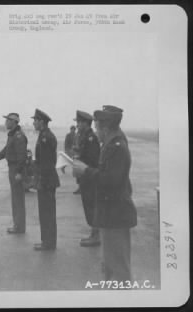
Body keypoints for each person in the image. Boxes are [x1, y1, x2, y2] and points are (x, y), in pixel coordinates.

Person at [73, 106, 137, 282]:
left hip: (115, 215)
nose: (96, 131)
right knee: (110, 266)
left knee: (118, 268)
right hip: (111, 214)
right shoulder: (111, 145)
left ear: (105, 128)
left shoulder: (117, 147)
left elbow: (111, 180)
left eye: (97, 127)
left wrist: (85, 171)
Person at [0, 113, 28, 234]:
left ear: (14, 121)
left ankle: (19, 227)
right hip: (12, 168)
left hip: (16, 169)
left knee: (18, 199)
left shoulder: (18, 136)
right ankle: (17, 225)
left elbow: (22, 156)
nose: (5, 123)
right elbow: (6, 150)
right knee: (15, 198)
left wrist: (18, 172)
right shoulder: (12, 135)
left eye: (7, 120)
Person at [31, 109, 60, 251]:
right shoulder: (44, 135)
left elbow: (47, 163)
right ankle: (46, 241)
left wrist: (41, 179)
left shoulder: (46, 138)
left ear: (41, 122)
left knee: (47, 212)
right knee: (45, 212)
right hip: (46, 179)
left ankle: (49, 243)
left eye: (35, 120)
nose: (33, 123)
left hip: (47, 180)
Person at [73, 110, 101, 247]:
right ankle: (94, 234)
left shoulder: (91, 138)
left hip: (90, 177)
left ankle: (96, 236)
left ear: (85, 123)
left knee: (92, 205)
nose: (77, 125)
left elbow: (93, 160)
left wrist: (80, 159)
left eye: (78, 122)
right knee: (88, 205)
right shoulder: (84, 136)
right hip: (85, 177)